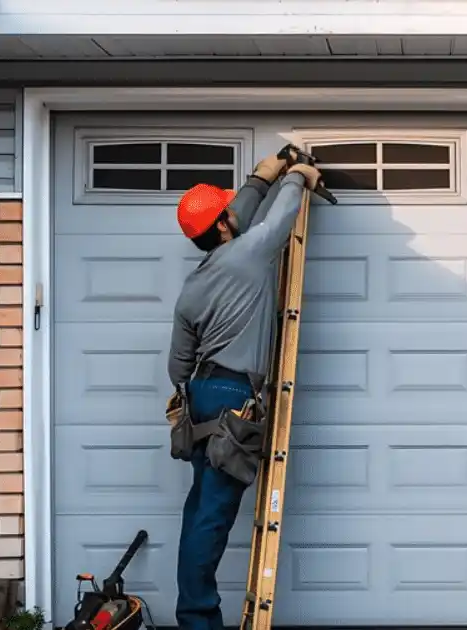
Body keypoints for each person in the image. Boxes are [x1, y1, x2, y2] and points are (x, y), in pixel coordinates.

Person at [164, 150, 322, 630]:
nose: (235, 214)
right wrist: (298, 177)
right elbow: (281, 218)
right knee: (212, 517)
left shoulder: (193, 287)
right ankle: (198, 620)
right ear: (224, 224)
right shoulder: (250, 253)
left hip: (202, 397)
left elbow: (177, 368)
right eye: (229, 212)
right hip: (234, 401)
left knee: (199, 511)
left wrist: (261, 177)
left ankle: (191, 612)